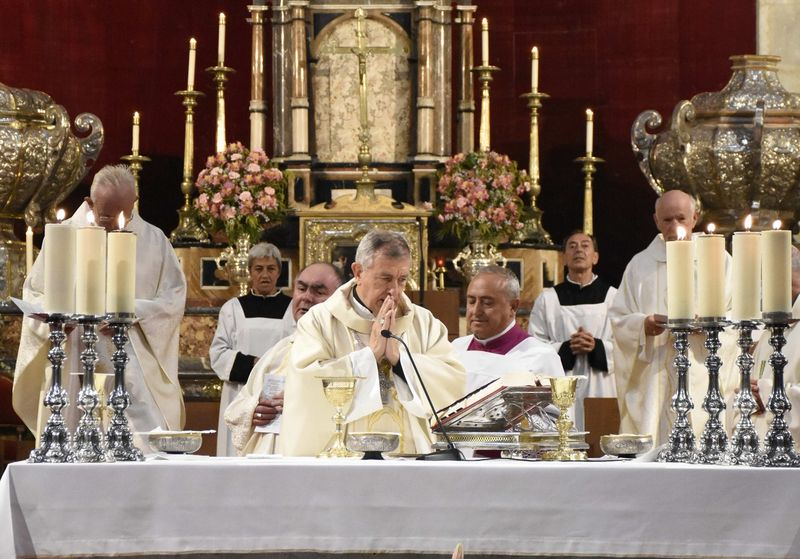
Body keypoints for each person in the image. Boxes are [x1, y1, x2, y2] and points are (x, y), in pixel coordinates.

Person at [13, 164, 187, 443]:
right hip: (73, 351)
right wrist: (57, 318)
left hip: (129, 356)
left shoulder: (154, 240)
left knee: (143, 439)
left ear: (134, 202)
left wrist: (131, 312)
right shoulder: (63, 236)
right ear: (90, 202)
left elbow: (173, 298)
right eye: (106, 215)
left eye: (123, 213)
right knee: (69, 434)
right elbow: (34, 292)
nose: (115, 223)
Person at [279, 229, 466, 456]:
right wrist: (369, 356)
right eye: (385, 278)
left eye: (402, 280)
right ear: (358, 272)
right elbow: (305, 383)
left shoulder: (424, 323)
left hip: (411, 457)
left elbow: (452, 381)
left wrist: (400, 361)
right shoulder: (319, 321)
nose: (394, 290)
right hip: (344, 459)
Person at [609, 189, 738, 447]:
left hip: (703, 371)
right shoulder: (640, 265)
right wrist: (643, 325)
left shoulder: (717, 259)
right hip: (655, 378)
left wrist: (709, 325)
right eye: (667, 220)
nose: (674, 226)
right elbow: (619, 319)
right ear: (656, 221)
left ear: (695, 218)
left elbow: (736, 312)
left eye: (681, 218)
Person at [223, 262, 343, 455]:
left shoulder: (344, 350)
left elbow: (354, 404)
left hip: (315, 455)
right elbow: (238, 406)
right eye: (301, 289)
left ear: (339, 300)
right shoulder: (279, 351)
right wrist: (254, 409)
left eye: (319, 291)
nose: (306, 297)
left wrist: (299, 399)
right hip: (267, 457)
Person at [210, 242, 293, 456]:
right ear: (250, 272)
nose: (265, 275)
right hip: (241, 392)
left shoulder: (292, 308)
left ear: (279, 272)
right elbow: (218, 353)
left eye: (270, 268)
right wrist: (255, 364)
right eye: (258, 268)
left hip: (279, 394)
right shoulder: (232, 308)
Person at [529, 231, 617, 429]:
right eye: (572, 246)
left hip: (602, 385)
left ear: (595, 257)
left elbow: (626, 344)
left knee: (600, 434)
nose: (579, 250)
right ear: (564, 258)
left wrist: (597, 347)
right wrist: (566, 348)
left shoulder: (613, 297)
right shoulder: (547, 299)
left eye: (585, 245)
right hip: (562, 383)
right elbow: (535, 346)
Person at [451, 266, 564, 393]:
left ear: (513, 306)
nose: (476, 311)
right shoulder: (455, 349)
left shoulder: (540, 356)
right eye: (471, 301)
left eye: (487, 303)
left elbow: (558, 405)